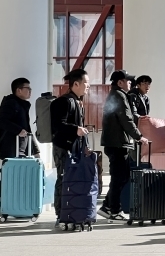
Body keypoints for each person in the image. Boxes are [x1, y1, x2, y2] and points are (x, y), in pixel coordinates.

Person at [98, 70, 148, 221]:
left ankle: (108, 207)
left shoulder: (117, 95)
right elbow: (126, 119)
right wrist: (139, 136)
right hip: (117, 143)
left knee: (121, 176)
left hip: (116, 142)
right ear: (120, 82)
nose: (131, 83)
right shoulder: (119, 96)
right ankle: (113, 210)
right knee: (119, 177)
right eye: (128, 80)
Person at [50, 69, 90, 229]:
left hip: (74, 148)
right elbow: (57, 124)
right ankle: (60, 214)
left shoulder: (77, 101)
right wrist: (75, 129)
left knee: (72, 180)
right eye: (86, 83)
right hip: (63, 147)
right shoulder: (64, 102)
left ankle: (70, 212)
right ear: (76, 84)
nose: (88, 86)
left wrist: (85, 145)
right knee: (63, 179)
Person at [0, 78, 40, 160]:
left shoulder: (23, 105)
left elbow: (27, 129)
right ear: (19, 90)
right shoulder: (11, 103)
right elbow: (2, 121)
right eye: (28, 88)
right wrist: (18, 130)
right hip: (11, 148)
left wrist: (35, 150)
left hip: (21, 149)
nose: (30, 91)